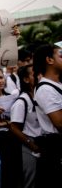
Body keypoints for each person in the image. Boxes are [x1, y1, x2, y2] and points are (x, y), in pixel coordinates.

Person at [33, 44, 62, 188]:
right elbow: (59, 123)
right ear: (49, 60)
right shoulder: (45, 89)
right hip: (55, 150)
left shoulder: (57, 85)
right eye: (60, 55)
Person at [10, 64, 41, 188]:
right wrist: (32, 145)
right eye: (34, 74)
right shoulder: (21, 102)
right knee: (30, 180)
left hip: (41, 143)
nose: (39, 76)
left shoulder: (41, 95)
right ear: (26, 79)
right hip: (29, 146)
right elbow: (13, 127)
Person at [0, 69, 21, 188]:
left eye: (1, 77)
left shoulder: (13, 97)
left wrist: (6, 124)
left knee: (14, 169)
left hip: (12, 137)